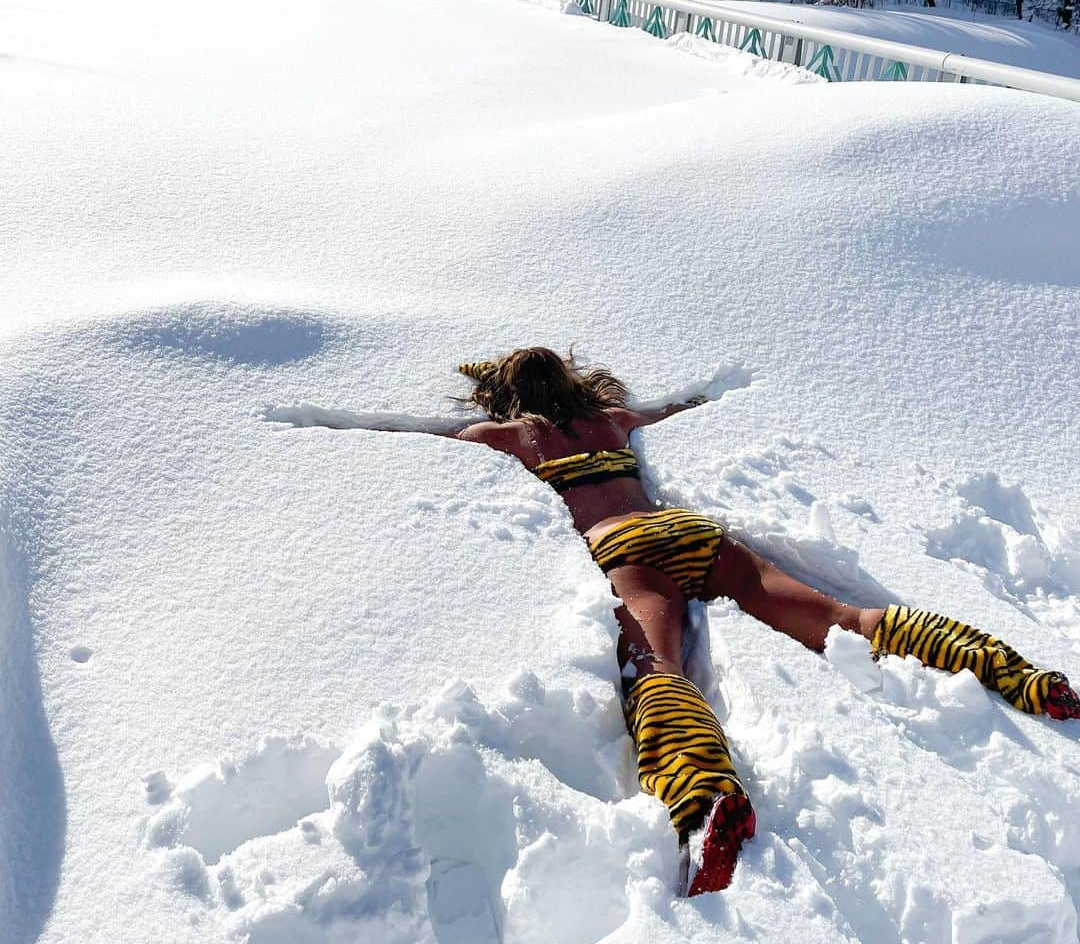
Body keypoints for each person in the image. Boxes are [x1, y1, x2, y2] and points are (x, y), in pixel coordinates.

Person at [314, 347, 1080, 895]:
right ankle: (1019, 675)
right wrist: (703, 397)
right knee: (839, 617)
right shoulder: (610, 419)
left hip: (628, 550)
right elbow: (674, 406)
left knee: (660, 670)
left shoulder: (515, 438)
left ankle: (707, 797)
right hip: (693, 533)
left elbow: (418, 439)